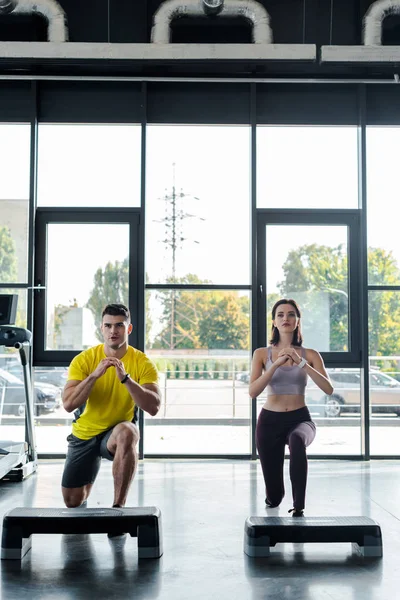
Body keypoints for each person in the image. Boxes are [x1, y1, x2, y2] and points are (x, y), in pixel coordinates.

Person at [61, 303, 161, 513]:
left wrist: (126, 379)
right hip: (85, 434)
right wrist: (94, 375)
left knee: (129, 431)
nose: (113, 331)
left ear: (129, 329)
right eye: (108, 326)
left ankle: (118, 507)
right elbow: (69, 404)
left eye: (119, 326)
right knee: (72, 501)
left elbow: (153, 407)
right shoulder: (85, 360)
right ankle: (88, 471)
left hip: (115, 435)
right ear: (101, 328)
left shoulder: (142, 362)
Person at [249, 298, 333, 516]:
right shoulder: (261, 354)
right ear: (274, 322)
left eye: (291, 314)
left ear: (297, 321)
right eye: (280, 315)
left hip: (300, 419)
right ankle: (274, 496)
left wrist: (301, 362)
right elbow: (253, 391)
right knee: (274, 497)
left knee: (297, 440)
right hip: (269, 422)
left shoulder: (311, 354)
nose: (285, 318)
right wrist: (275, 364)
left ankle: (299, 506)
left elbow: (328, 389)